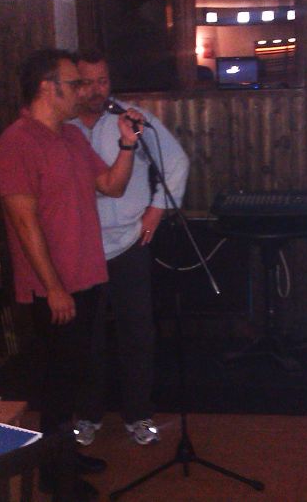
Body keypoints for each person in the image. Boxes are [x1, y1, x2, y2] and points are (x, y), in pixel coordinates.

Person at [0, 48, 144, 499]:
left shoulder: (73, 137)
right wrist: (54, 287)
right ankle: (55, 479)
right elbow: (24, 223)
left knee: (75, 376)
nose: (82, 92)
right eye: (74, 84)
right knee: (58, 384)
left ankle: (64, 456)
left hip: (88, 275)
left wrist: (127, 144)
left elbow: (112, 185)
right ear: (47, 87)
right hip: (54, 287)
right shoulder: (16, 142)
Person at [70, 49, 190, 446]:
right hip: (79, 248)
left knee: (137, 333)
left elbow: (176, 161)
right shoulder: (62, 126)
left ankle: (139, 414)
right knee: (87, 338)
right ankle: (88, 415)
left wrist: (157, 209)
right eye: (86, 82)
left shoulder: (133, 119)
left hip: (129, 243)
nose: (96, 90)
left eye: (103, 81)